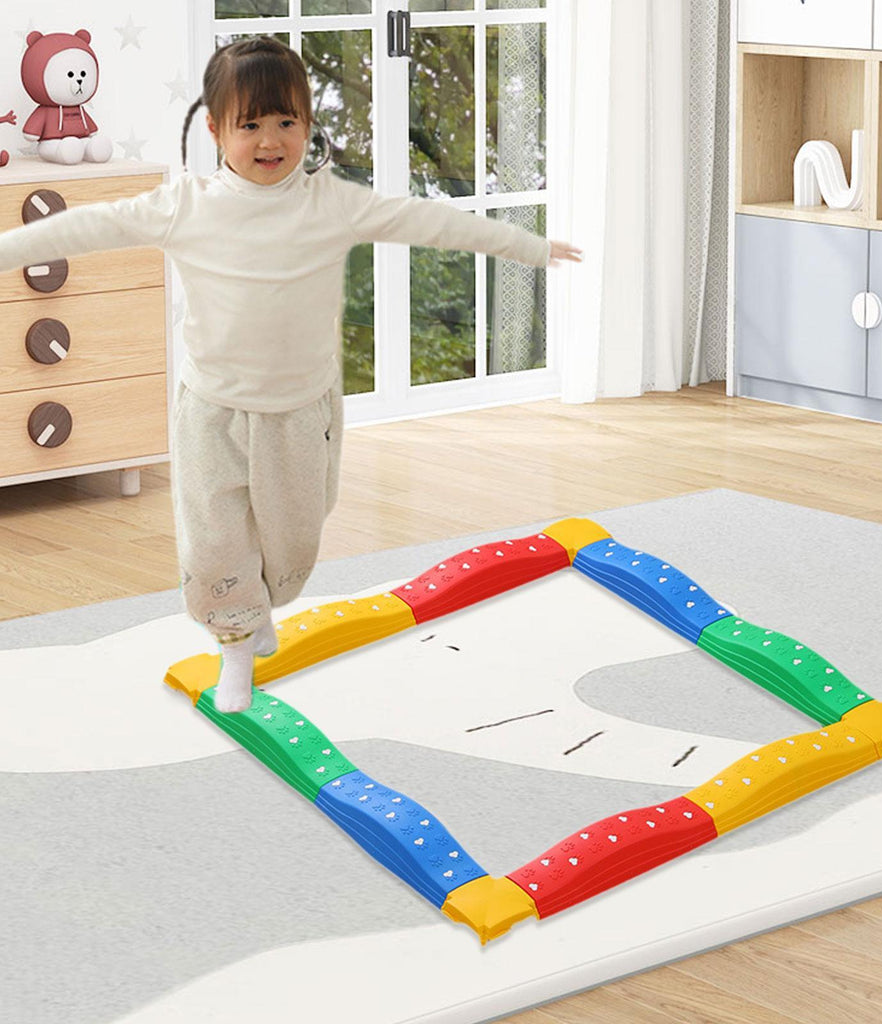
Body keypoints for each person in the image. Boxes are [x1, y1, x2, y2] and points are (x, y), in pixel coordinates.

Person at [0, 36, 582, 713]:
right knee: (215, 546)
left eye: (286, 121)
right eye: (250, 124)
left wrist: (530, 246)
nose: (270, 140)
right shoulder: (184, 205)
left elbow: (427, 222)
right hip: (211, 410)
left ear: (308, 124)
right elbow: (83, 228)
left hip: (302, 411)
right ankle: (236, 647)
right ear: (216, 131)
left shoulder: (330, 204)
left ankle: (259, 606)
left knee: (292, 547)